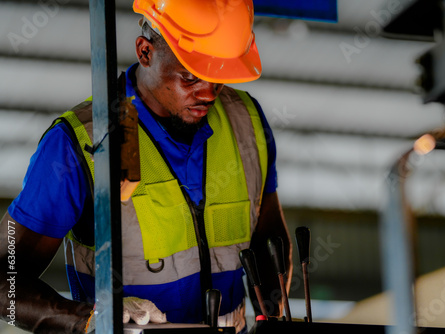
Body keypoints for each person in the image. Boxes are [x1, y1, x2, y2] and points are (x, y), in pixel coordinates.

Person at [0, 0, 292, 333]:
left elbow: (270, 237)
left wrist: (271, 318)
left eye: (218, 77)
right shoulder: (78, 143)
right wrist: (90, 320)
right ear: (145, 52)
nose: (209, 94)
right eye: (191, 77)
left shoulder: (247, 121)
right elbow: (3, 282)